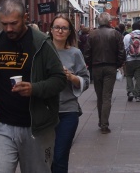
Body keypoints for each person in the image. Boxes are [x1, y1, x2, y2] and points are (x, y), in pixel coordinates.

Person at [0, 0, 67, 173]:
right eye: (4, 24)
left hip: (36, 127)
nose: (8, 29)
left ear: (25, 17)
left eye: (13, 23)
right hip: (1, 125)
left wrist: (34, 89)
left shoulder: (42, 43)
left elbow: (59, 79)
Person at [49, 14, 90, 173]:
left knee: (60, 156)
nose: (60, 31)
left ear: (69, 32)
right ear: (51, 30)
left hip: (68, 111)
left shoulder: (75, 53)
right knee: (45, 156)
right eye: (57, 27)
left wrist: (71, 77)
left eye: (64, 28)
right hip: (44, 112)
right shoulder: (42, 51)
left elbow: (86, 80)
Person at [83, 12, 126, 134]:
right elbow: (121, 52)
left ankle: (101, 121)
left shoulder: (92, 35)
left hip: (96, 67)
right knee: (107, 96)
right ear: (109, 22)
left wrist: (91, 65)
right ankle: (104, 124)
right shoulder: (116, 34)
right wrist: (117, 64)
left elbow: (87, 53)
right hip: (110, 67)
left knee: (99, 95)